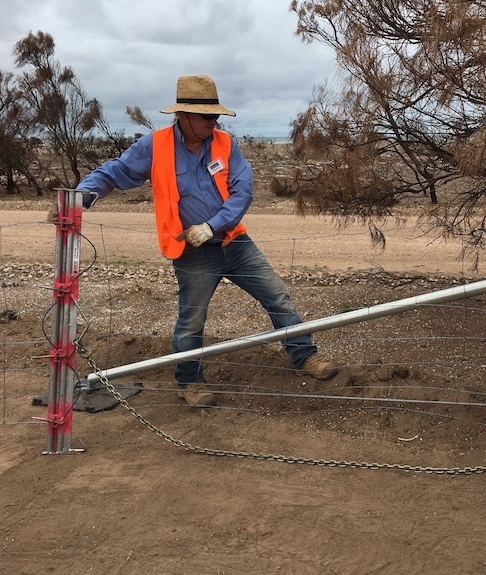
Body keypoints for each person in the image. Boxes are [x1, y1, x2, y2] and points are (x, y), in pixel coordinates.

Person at [75, 75, 338, 407]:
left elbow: (243, 191)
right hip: (192, 251)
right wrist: (79, 197)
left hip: (233, 242)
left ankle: (304, 356)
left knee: (278, 297)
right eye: (207, 117)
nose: (214, 123)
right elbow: (113, 172)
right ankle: (190, 382)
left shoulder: (225, 144)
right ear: (183, 115)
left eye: (216, 117)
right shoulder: (154, 146)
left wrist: (213, 226)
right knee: (192, 319)